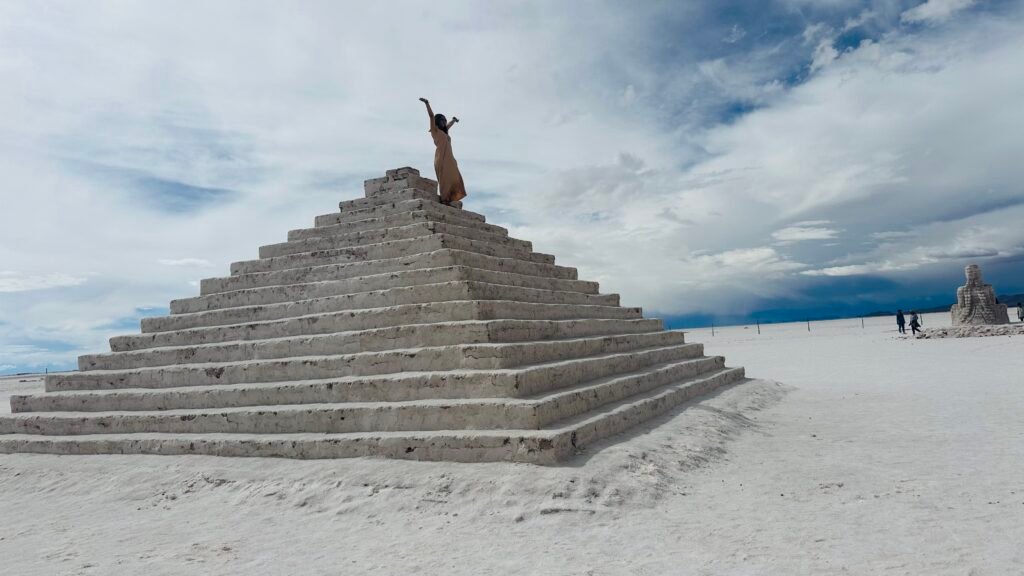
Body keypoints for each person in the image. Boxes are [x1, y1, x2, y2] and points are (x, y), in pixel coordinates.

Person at [419, 97, 467, 206]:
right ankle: (445, 199)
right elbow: (431, 116)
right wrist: (427, 103)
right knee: (445, 178)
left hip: (450, 159)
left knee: (454, 177)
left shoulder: (445, 132)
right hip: (441, 157)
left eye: (445, 121)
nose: (444, 122)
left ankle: (451, 197)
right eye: (442, 120)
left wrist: (454, 121)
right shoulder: (435, 131)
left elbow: (448, 126)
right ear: (437, 122)